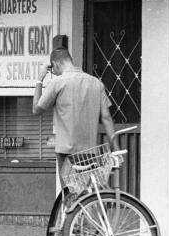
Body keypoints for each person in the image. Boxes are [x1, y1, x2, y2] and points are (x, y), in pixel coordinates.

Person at [32, 47, 119, 189]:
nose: (55, 73)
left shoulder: (58, 83)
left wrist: (39, 79)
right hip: (90, 152)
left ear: (56, 64)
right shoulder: (96, 83)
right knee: (87, 195)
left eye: (53, 69)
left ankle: (72, 208)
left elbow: (36, 109)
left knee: (71, 199)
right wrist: (115, 148)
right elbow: (107, 118)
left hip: (67, 154)